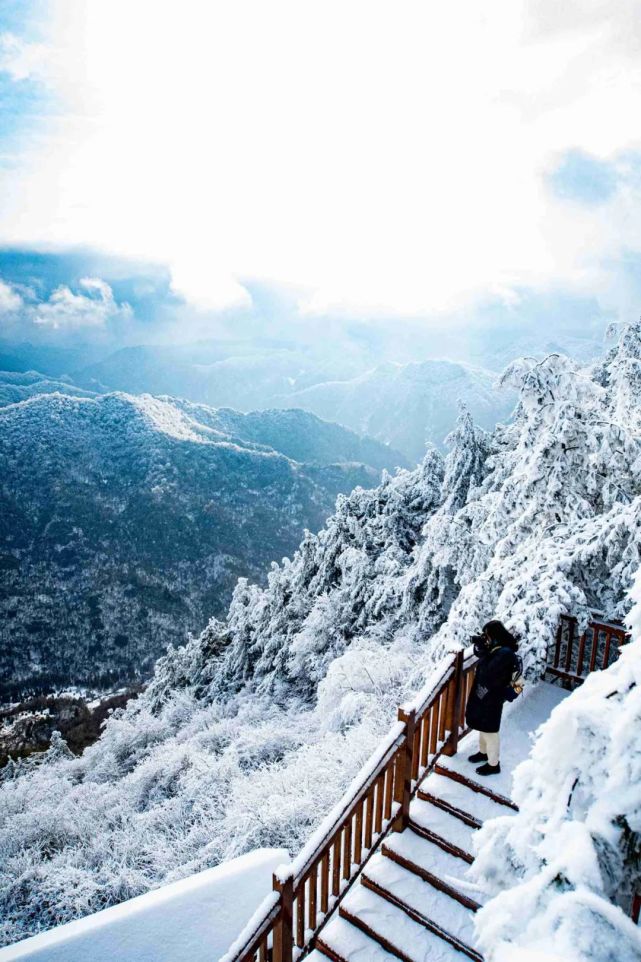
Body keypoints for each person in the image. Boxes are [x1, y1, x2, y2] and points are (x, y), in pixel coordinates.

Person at [465, 619, 522, 776]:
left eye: (487, 636)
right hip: (486, 695)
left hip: (493, 697)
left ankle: (493, 764)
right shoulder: (499, 649)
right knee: (484, 726)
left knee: (490, 731)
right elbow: (484, 659)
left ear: (495, 636)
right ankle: (483, 753)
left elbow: (489, 671)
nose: (485, 639)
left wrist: (484, 649)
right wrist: (481, 647)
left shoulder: (504, 654)